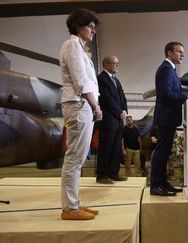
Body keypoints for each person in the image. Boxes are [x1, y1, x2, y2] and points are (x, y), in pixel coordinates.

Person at [59, 8, 101, 220]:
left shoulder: (80, 48)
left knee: (78, 158)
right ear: (78, 26)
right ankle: (70, 208)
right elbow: (81, 81)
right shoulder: (72, 45)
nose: (93, 31)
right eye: (90, 26)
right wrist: (96, 106)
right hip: (79, 104)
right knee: (74, 157)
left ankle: (75, 203)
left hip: (82, 104)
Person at [150, 41, 188, 196]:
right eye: (179, 52)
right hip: (165, 117)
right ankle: (155, 185)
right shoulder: (165, 69)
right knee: (160, 153)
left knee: (165, 153)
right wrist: (185, 97)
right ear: (169, 52)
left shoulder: (171, 70)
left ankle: (162, 182)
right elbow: (166, 94)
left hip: (169, 118)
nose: (182, 55)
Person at [96, 55, 128, 184]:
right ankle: (102, 175)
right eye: (115, 63)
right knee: (106, 148)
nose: (117, 66)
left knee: (116, 148)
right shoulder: (101, 79)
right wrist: (119, 112)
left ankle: (113, 173)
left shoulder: (116, 80)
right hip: (108, 120)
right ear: (106, 64)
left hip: (118, 120)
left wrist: (125, 111)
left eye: (118, 63)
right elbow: (106, 99)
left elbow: (122, 98)